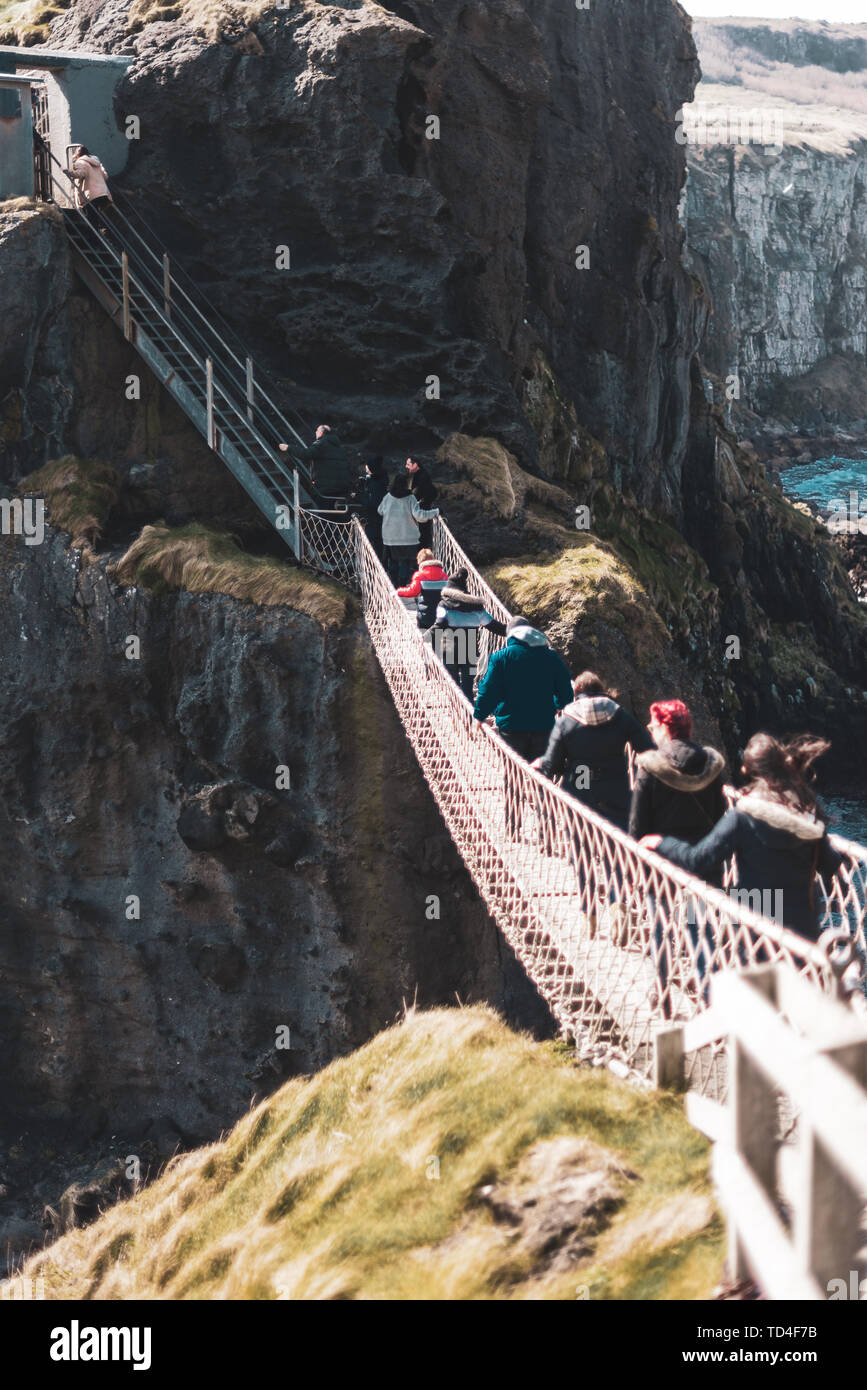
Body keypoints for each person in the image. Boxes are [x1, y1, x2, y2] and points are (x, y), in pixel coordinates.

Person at [641, 733, 844, 944]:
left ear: (747, 771)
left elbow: (698, 859)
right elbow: (830, 864)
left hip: (756, 920)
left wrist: (662, 842)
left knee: (692, 907)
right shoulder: (807, 817)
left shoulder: (742, 816)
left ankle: (702, 965)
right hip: (802, 924)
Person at [628, 699, 726, 1011]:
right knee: (701, 933)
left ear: (667, 727)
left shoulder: (650, 767)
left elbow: (637, 827)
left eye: (653, 723)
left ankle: (662, 992)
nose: (648, 728)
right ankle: (709, 1001)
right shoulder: (711, 766)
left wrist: (633, 868)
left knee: (661, 926)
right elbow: (722, 817)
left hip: (662, 862)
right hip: (703, 861)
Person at [473, 616, 572, 837]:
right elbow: (566, 691)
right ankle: (546, 830)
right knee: (543, 779)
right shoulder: (551, 657)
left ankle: (513, 828)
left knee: (513, 777)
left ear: (510, 636)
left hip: (511, 728)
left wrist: (478, 717)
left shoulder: (501, 657)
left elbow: (488, 691)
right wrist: (557, 706)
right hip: (544, 727)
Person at [533, 672, 654, 832]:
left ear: (576, 693)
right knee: (616, 839)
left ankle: (578, 855)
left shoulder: (566, 720)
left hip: (580, 781)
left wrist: (542, 763)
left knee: (579, 838)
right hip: (614, 783)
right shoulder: (620, 715)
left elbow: (552, 764)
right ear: (601, 690)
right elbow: (647, 749)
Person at [629, 699, 726, 850]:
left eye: (653, 728)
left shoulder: (650, 766)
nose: (652, 733)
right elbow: (719, 814)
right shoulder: (710, 762)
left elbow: (638, 821)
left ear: (664, 728)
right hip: (704, 857)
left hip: (662, 859)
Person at [433, 567, 506, 699]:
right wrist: (515, 630)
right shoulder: (477, 608)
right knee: (467, 687)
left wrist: (425, 639)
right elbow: (495, 626)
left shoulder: (443, 605)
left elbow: (439, 625)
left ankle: (456, 714)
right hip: (470, 653)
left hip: (449, 650)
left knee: (452, 686)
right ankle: (469, 715)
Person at [377, 474, 440, 586]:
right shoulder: (410, 498)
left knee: (393, 561)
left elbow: (380, 510)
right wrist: (435, 512)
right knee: (404, 563)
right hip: (408, 539)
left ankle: (393, 584)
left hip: (390, 538)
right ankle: (402, 584)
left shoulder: (388, 496)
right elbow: (419, 516)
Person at [279, 425, 352, 498]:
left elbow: (306, 454)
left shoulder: (321, 443)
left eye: (317, 430)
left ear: (321, 432)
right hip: (342, 487)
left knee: (323, 506)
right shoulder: (339, 447)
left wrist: (288, 448)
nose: (315, 432)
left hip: (325, 488)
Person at [67, 145, 114, 237]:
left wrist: (69, 172)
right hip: (103, 193)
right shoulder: (97, 163)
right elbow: (105, 176)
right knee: (95, 216)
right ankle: (103, 235)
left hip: (91, 195)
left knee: (91, 219)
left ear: (77, 155)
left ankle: (93, 239)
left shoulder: (80, 162)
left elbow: (80, 174)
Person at [396, 549, 449, 629]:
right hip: (441, 616)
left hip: (425, 617)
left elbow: (413, 591)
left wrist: (398, 591)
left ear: (420, 562)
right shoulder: (444, 576)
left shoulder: (419, 575)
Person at [405, 456, 437, 548]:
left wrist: (419, 502)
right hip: (419, 509)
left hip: (422, 509)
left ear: (415, 465)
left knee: (423, 533)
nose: (406, 466)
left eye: (408, 464)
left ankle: (422, 550)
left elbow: (423, 493)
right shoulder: (415, 475)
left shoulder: (423, 476)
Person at [361, 456, 388, 559]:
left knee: (372, 540)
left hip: (373, 517)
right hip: (378, 517)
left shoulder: (375, 484)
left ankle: (374, 563)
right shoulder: (381, 480)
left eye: (367, 466)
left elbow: (373, 502)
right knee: (378, 542)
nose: (366, 468)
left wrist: (360, 499)